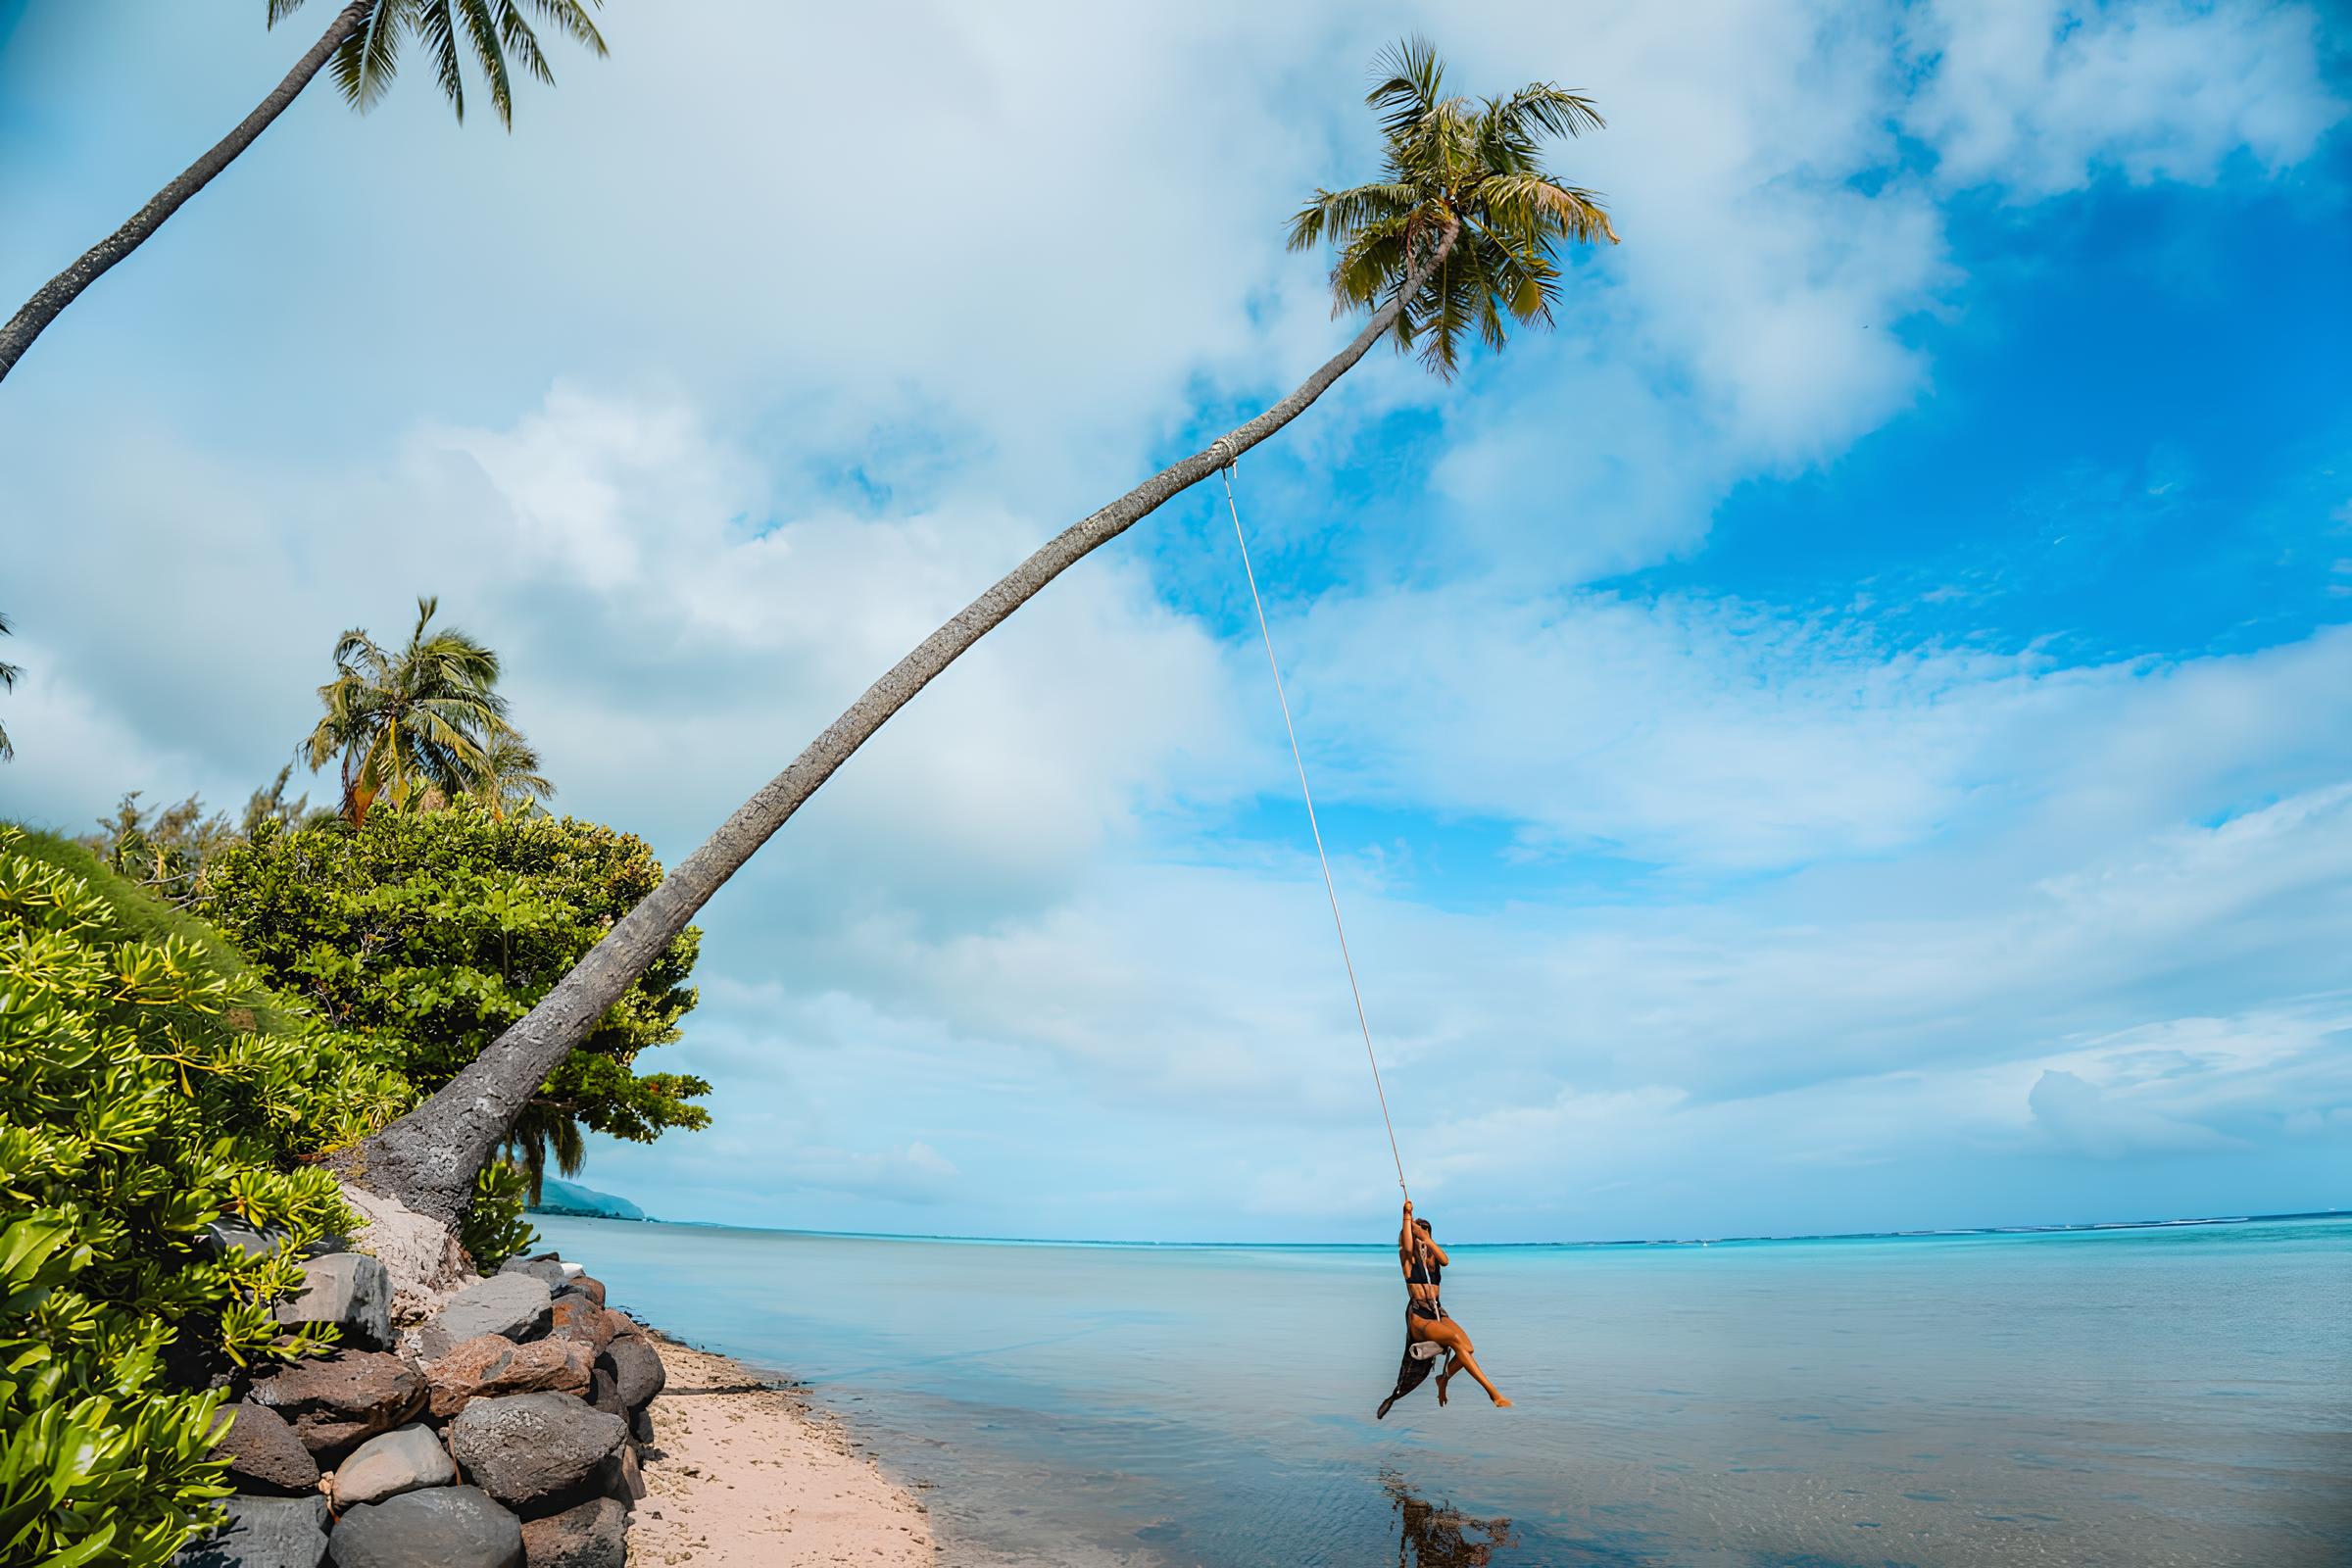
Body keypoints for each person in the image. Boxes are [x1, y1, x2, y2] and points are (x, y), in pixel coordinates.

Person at [1376, 1198, 1510, 1417]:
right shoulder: (1407, 1257)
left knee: (1467, 1348)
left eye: (1425, 1232)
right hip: (1419, 1317)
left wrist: (1426, 1239)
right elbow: (1409, 1245)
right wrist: (1406, 1216)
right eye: (1418, 1233)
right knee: (1455, 1341)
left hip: (1437, 1312)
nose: (1421, 1238)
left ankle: (1443, 1378)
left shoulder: (1433, 1260)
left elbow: (1445, 1260)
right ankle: (1493, 1394)